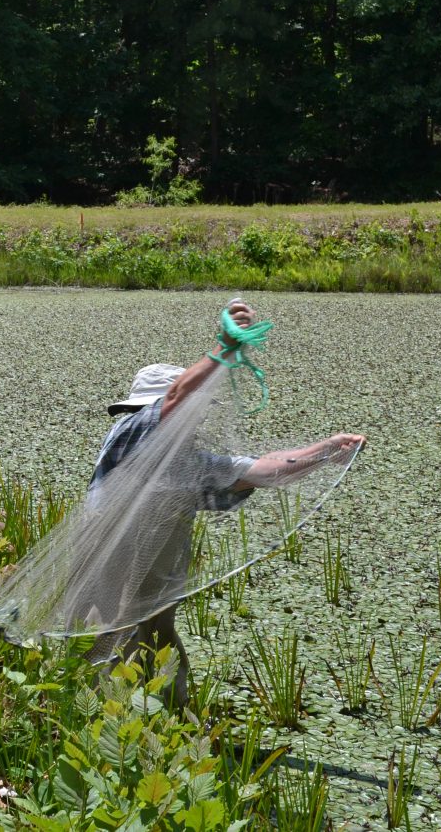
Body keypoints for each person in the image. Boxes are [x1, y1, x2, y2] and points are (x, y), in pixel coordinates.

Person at [84, 300, 364, 709]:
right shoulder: (132, 434)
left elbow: (263, 470)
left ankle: (175, 722)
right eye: (187, 413)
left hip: (156, 578)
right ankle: (102, 725)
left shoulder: (188, 462)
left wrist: (324, 451)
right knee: (110, 639)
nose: (194, 420)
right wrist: (224, 349)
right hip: (109, 567)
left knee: (161, 638)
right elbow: (177, 398)